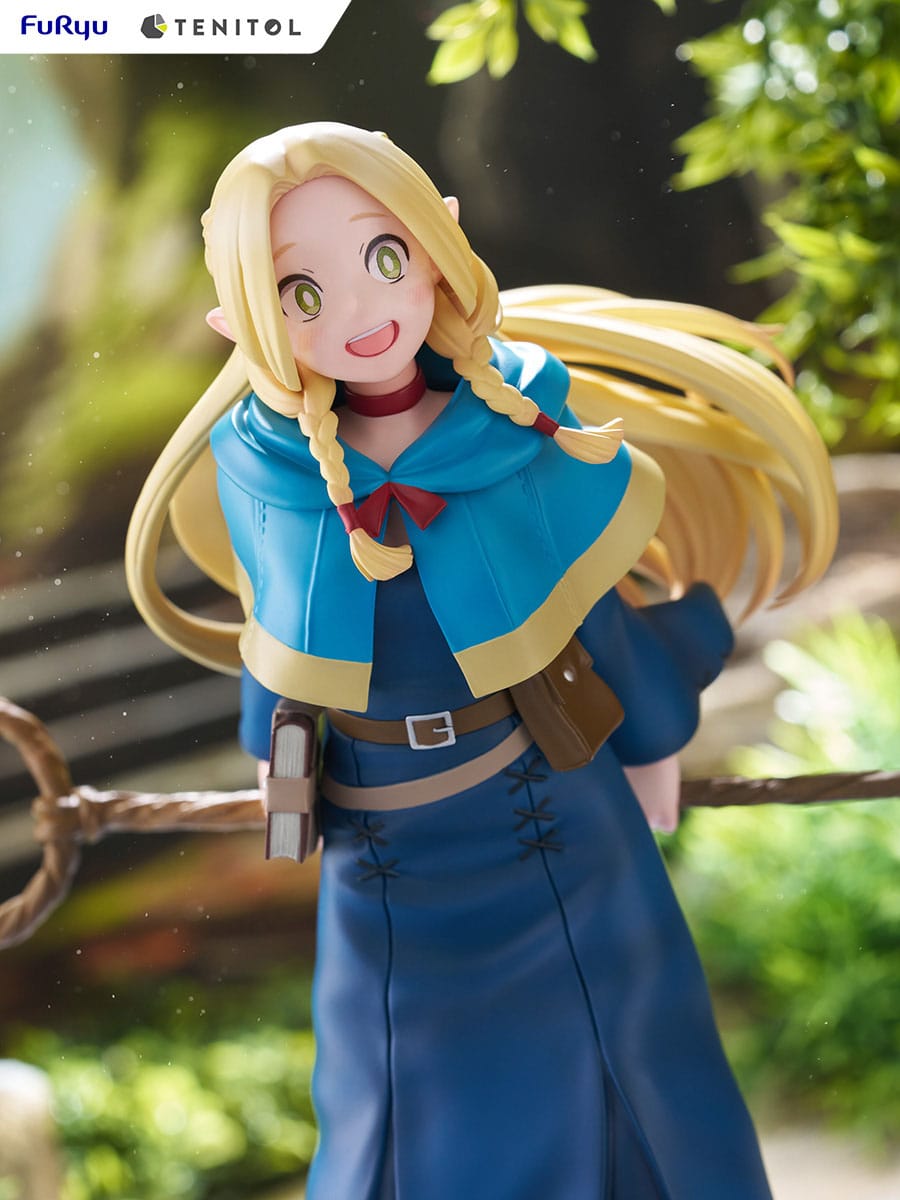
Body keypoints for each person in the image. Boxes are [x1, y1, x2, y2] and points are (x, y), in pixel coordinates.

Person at [126, 123, 838, 1199]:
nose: (359, 310)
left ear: (437, 243)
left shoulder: (513, 417)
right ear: (241, 321)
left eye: (384, 257)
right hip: (380, 845)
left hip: (546, 803)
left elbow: (587, 613)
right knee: (389, 1098)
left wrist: (646, 738)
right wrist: (278, 761)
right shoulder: (263, 461)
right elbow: (278, 637)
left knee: (626, 1069)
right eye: (299, 294)